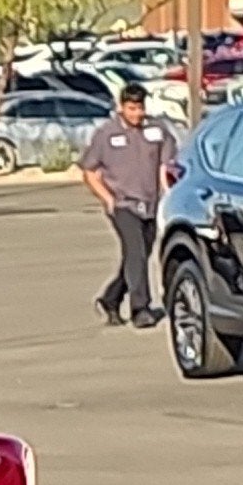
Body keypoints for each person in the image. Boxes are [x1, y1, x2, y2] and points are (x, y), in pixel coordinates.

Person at [79, 85, 182, 328]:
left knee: (139, 257)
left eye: (140, 108)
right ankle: (140, 308)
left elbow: (164, 166)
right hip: (123, 204)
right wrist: (108, 199)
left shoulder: (157, 130)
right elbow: (89, 171)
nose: (136, 114)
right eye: (131, 108)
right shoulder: (106, 134)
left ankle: (110, 298)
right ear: (121, 107)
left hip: (151, 204)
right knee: (135, 253)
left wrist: (167, 195)